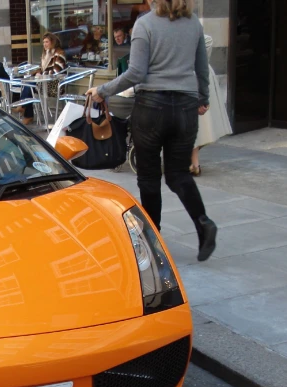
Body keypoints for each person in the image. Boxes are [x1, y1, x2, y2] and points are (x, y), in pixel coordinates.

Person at [87, 0, 218, 262]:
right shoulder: (193, 23)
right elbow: (202, 68)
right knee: (178, 174)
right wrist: (202, 98)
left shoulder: (145, 24)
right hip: (185, 108)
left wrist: (101, 90)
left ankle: (152, 242)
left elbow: (136, 72)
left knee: (148, 177)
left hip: (152, 108)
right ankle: (203, 223)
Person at [190, 35, 232, 175]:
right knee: (197, 127)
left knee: (198, 126)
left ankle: (193, 163)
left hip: (194, 82)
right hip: (195, 80)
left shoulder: (190, 30)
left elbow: (207, 40)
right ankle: (194, 163)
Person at [17, 33, 66, 125]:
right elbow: (41, 68)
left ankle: (25, 110)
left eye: (47, 42)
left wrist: (42, 74)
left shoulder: (60, 54)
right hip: (43, 83)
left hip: (55, 85)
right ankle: (26, 112)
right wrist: (38, 72)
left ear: (53, 42)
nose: (44, 44)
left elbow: (56, 71)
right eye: (43, 42)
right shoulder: (45, 54)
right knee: (28, 85)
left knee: (29, 86)